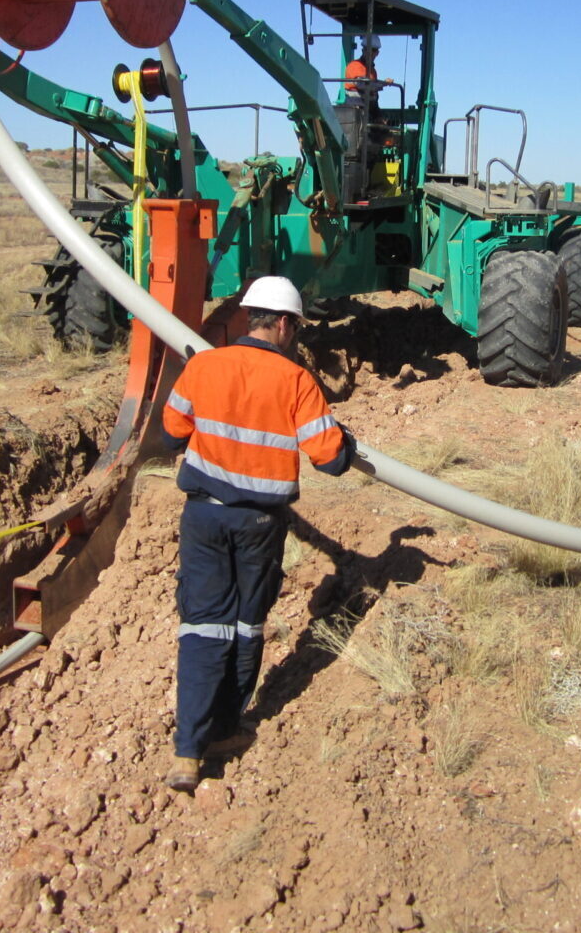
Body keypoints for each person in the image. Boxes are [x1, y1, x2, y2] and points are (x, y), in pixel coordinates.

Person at [159, 276, 357, 791]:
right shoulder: (296, 381)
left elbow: (170, 431)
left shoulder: (204, 365)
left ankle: (187, 752)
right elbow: (331, 461)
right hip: (258, 525)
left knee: (202, 626)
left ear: (249, 317)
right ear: (286, 324)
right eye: (297, 326)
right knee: (246, 626)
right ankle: (226, 730)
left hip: (203, 517)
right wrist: (348, 443)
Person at [344, 34, 392, 106]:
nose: (370, 52)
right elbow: (362, 84)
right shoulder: (354, 65)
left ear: (377, 53)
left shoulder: (373, 71)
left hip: (370, 108)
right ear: (363, 50)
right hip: (355, 108)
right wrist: (383, 83)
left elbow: (372, 89)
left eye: (373, 50)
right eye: (367, 49)